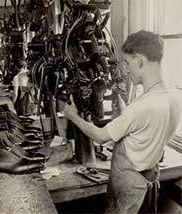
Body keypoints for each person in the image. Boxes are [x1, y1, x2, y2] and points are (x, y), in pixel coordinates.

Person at [63, 30, 180, 213]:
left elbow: (101, 137)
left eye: (127, 62)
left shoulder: (143, 106)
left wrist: (73, 116)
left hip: (129, 186)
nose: (125, 68)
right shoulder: (174, 98)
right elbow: (149, 132)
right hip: (147, 180)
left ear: (139, 60)